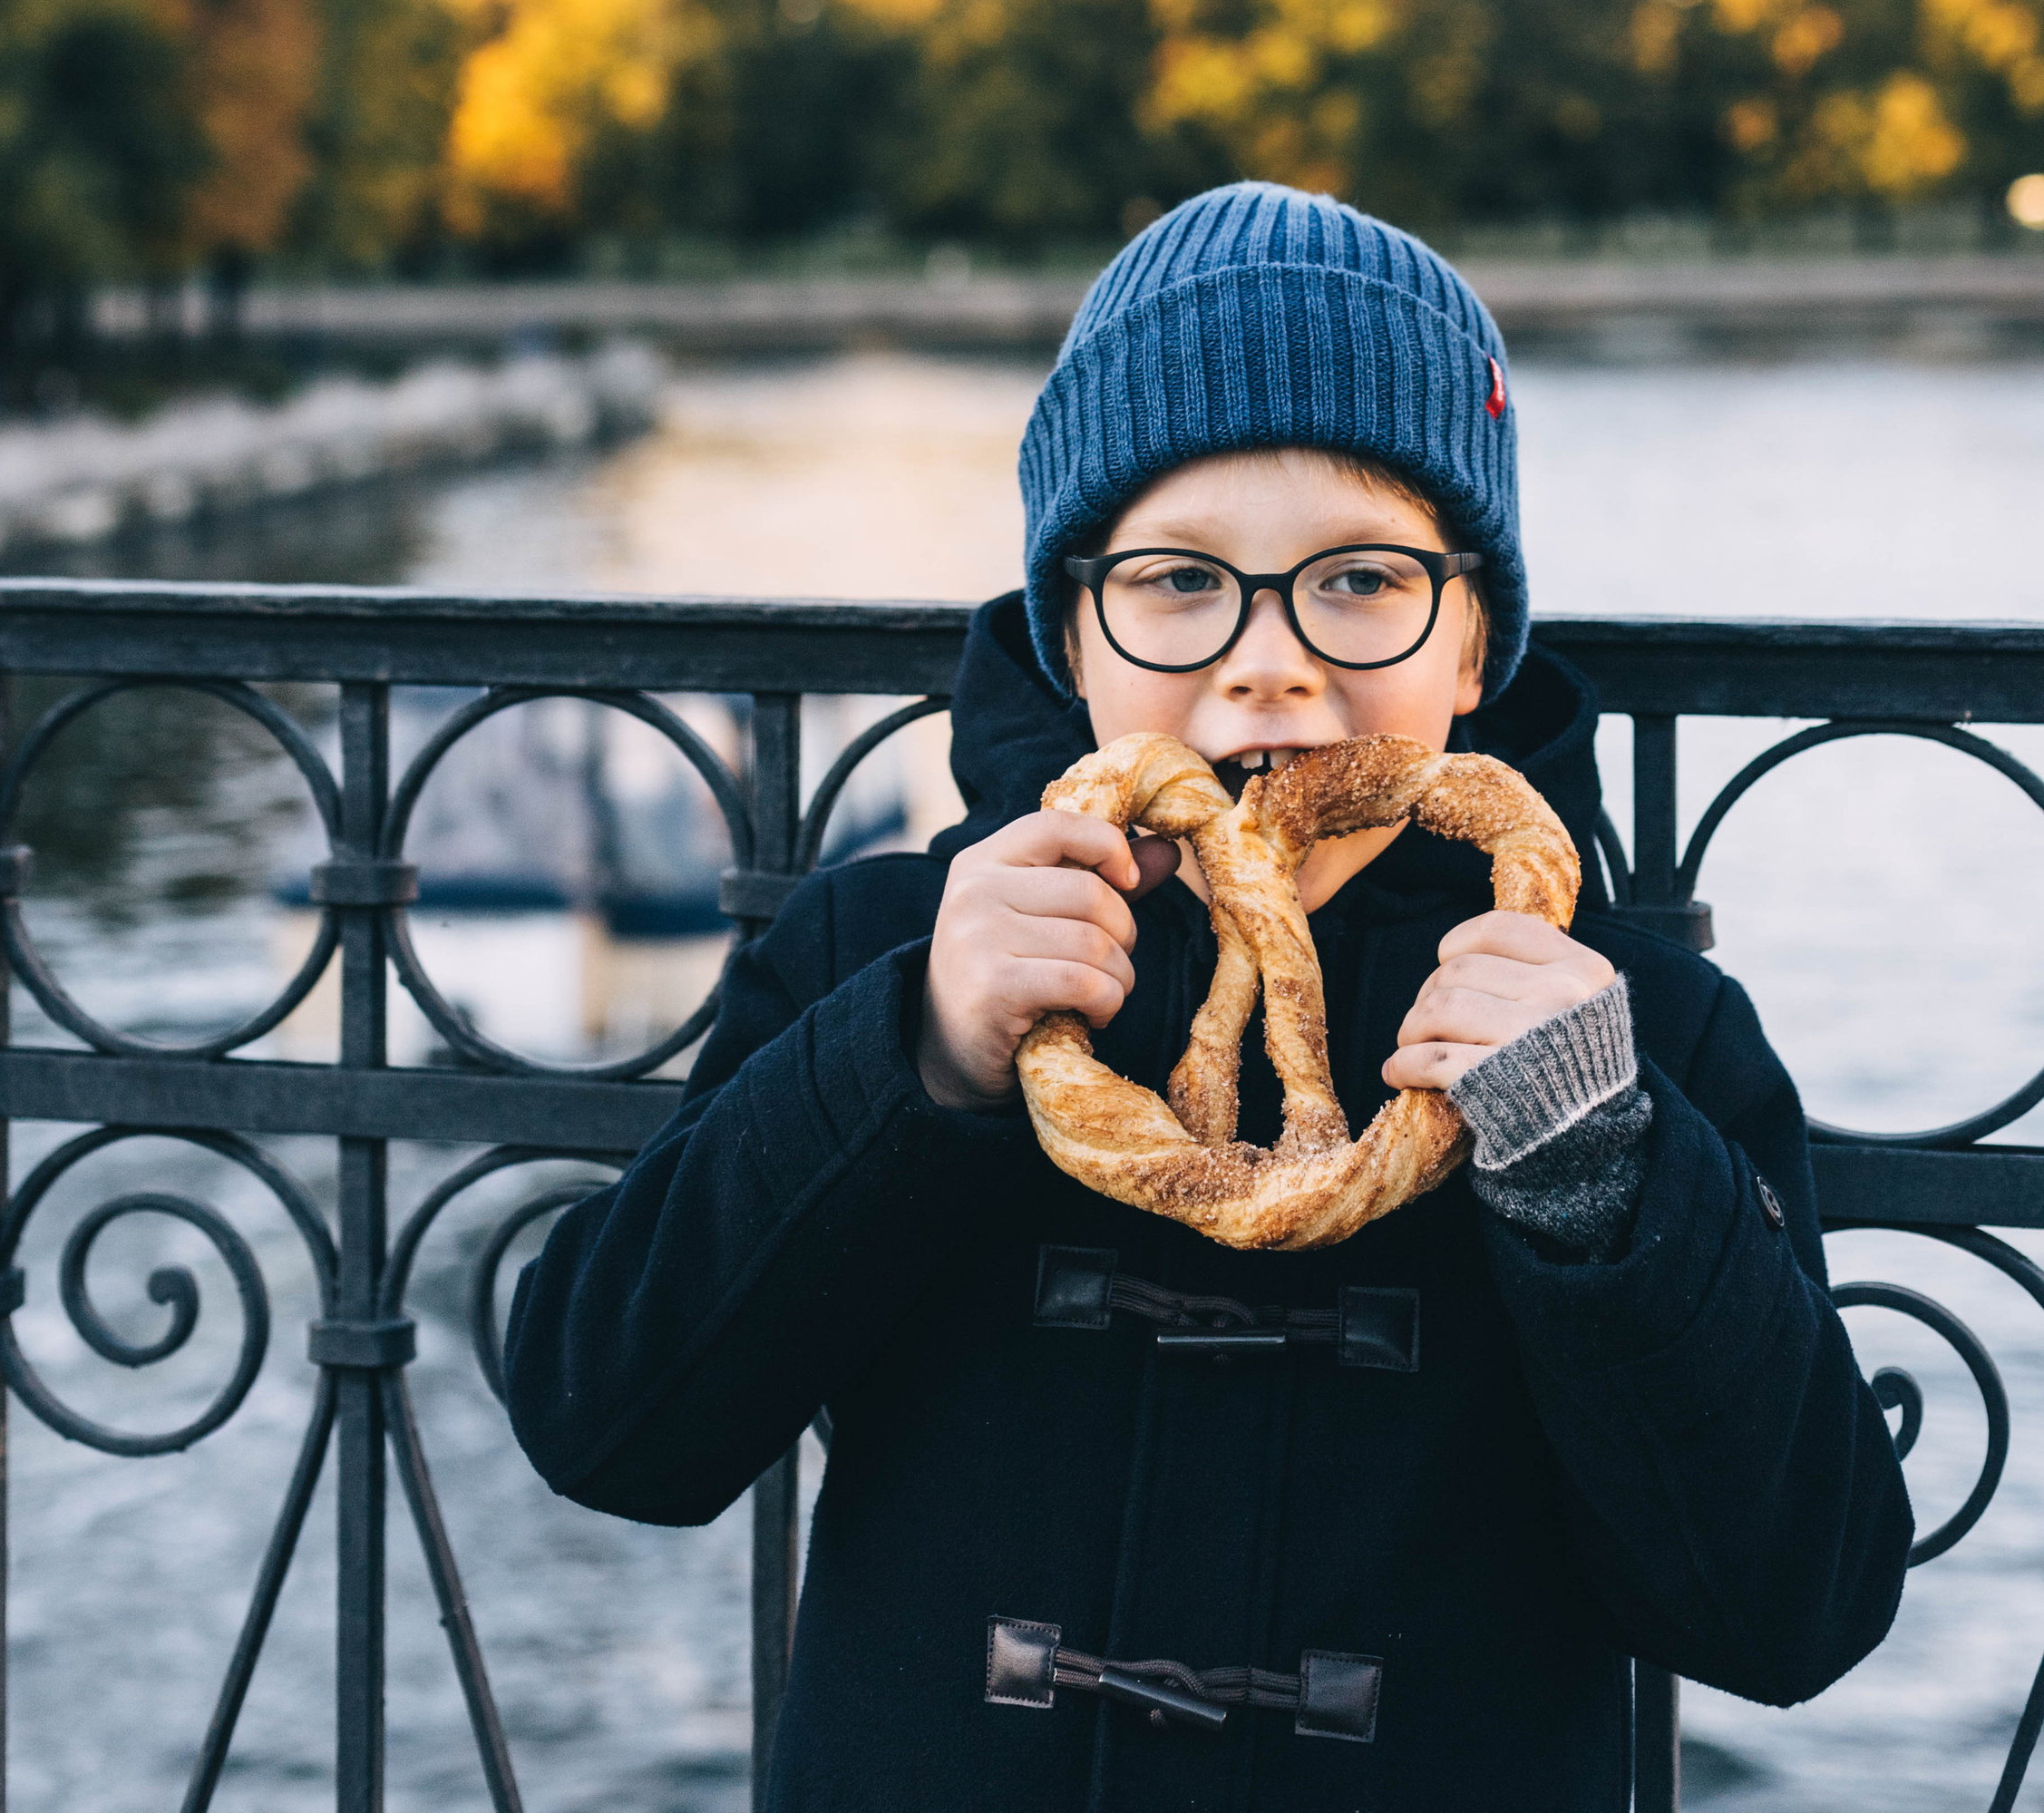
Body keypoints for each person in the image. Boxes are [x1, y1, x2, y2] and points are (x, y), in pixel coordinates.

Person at [506, 184, 1913, 1808]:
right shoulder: (892, 955)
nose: (1268, 661)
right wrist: (910, 1062)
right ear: (1070, 636)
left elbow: (1791, 1610)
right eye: (1178, 581)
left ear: (1474, 646)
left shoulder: (1626, 1035)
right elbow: (609, 1424)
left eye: (1362, 580)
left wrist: (1604, 1185)